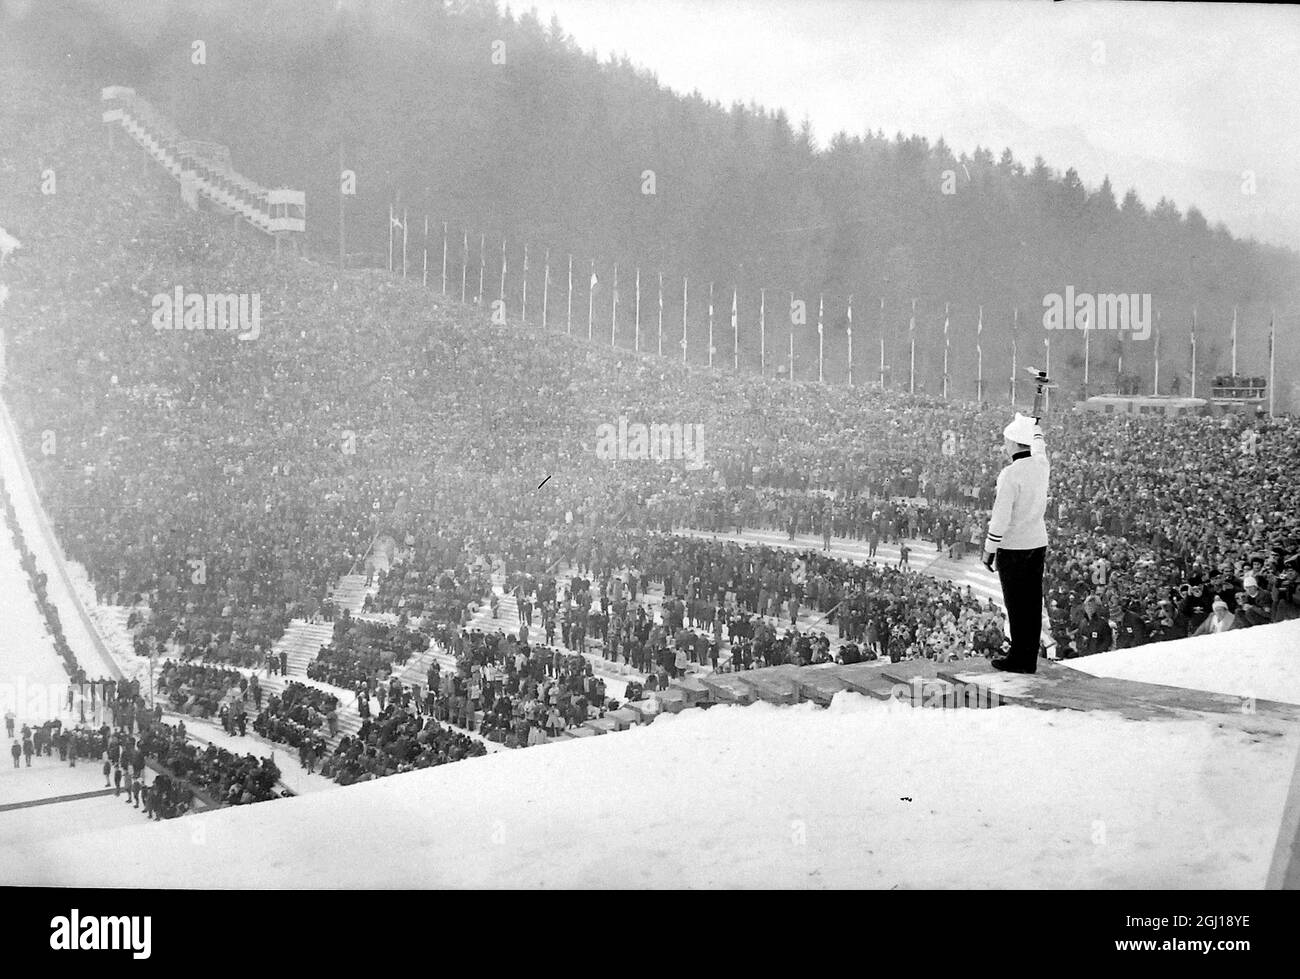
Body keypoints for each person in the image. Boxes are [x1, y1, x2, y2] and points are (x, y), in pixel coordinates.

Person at [983, 412, 1049, 673]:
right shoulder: (1041, 464)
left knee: (1016, 604)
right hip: (1037, 541)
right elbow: (1041, 445)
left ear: (1012, 443)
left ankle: (1019, 659)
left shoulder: (1010, 474)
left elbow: (1000, 518)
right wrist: (1035, 427)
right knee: (1032, 602)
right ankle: (1028, 656)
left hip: (1013, 546)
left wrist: (989, 549)